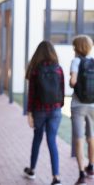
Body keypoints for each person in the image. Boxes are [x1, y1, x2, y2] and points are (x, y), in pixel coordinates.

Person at [24, 41, 64, 185]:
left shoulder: (35, 70)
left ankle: (32, 170)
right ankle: (56, 177)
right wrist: (59, 107)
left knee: (37, 138)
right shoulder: (58, 69)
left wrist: (29, 113)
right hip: (55, 110)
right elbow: (62, 90)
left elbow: (32, 94)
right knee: (52, 141)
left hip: (39, 110)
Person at [69, 35, 94, 185]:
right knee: (92, 137)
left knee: (78, 138)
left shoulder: (76, 61)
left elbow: (73, 81)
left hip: (78, 105)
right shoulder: (93, 62)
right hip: (93, 105)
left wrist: (72, 83)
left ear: (77, 48)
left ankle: (81, 173)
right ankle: (91, 166)